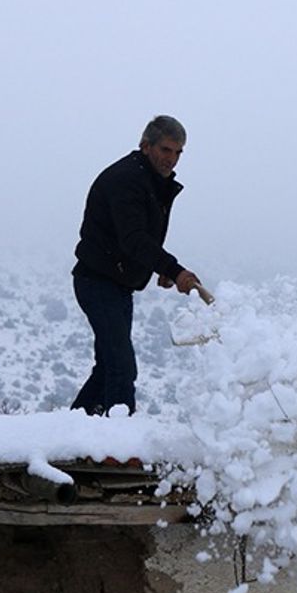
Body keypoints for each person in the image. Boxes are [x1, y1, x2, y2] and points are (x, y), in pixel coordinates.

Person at [70, 115, 202, 416]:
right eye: (166, 150)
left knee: (109, 365)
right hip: (98, 281)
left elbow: (136, 238)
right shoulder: (126, 180)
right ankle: (118, 445)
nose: (172, 159)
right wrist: (172, 269)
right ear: (146, 146)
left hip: (115, 283)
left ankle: (74, 428)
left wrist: (158, 267)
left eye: (178, 152)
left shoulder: (149, 180)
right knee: (120, 365)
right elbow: (133, 239)